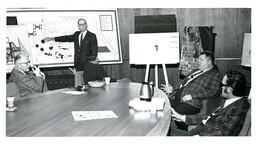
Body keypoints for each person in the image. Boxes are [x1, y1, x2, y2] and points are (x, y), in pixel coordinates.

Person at [169, 70, 249, 136]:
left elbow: (224, 134)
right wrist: (182, 117)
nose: (220, 87)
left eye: (222, 84)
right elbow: (208, 117)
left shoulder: (239, 108)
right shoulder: (229, 100)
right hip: (197, 132)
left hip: (201, 137)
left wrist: (199, 138)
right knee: (168, 132)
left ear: (229, 89)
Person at [161, 51, 221, 130]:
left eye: (201, 60)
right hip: (178, 99)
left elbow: (213, 92)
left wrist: (192, 96)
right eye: (198, 59)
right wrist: (173, 90)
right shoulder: (195, 71)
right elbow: (184, 83)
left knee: (176, 113)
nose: (198, 62)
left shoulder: (215, 74)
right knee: (163, 106)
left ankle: (187, 132)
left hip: (191, 103)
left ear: (209, 62)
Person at [42, 18, 98, 86]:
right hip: (78, 66)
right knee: (79, 87)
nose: (82, 26)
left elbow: (94, 52)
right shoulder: (77, 34)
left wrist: (88, 64)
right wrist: (52, 38)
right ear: (78, 26)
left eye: (84, 24)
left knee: (89, 87)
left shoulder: (92, 36)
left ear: (86, 25)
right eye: (80, 24)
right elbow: (66, 38)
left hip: (88, 67)